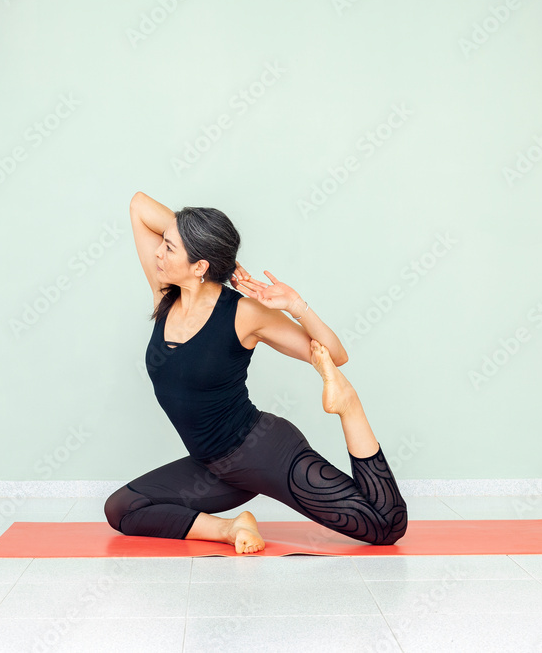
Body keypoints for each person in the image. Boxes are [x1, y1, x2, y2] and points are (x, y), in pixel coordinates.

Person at [104, 191, 408, 553]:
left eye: (169, 247)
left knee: (385, 526)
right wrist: (218, 254)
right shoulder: (165, 296)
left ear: (199, 267)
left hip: (261, 453)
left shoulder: (243, 314)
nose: (158, 252)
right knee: (122, 508)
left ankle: (349, 405)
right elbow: (139, 205)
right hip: (211, 468)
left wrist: (296, 305)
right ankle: (231, 528)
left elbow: (335, 355)